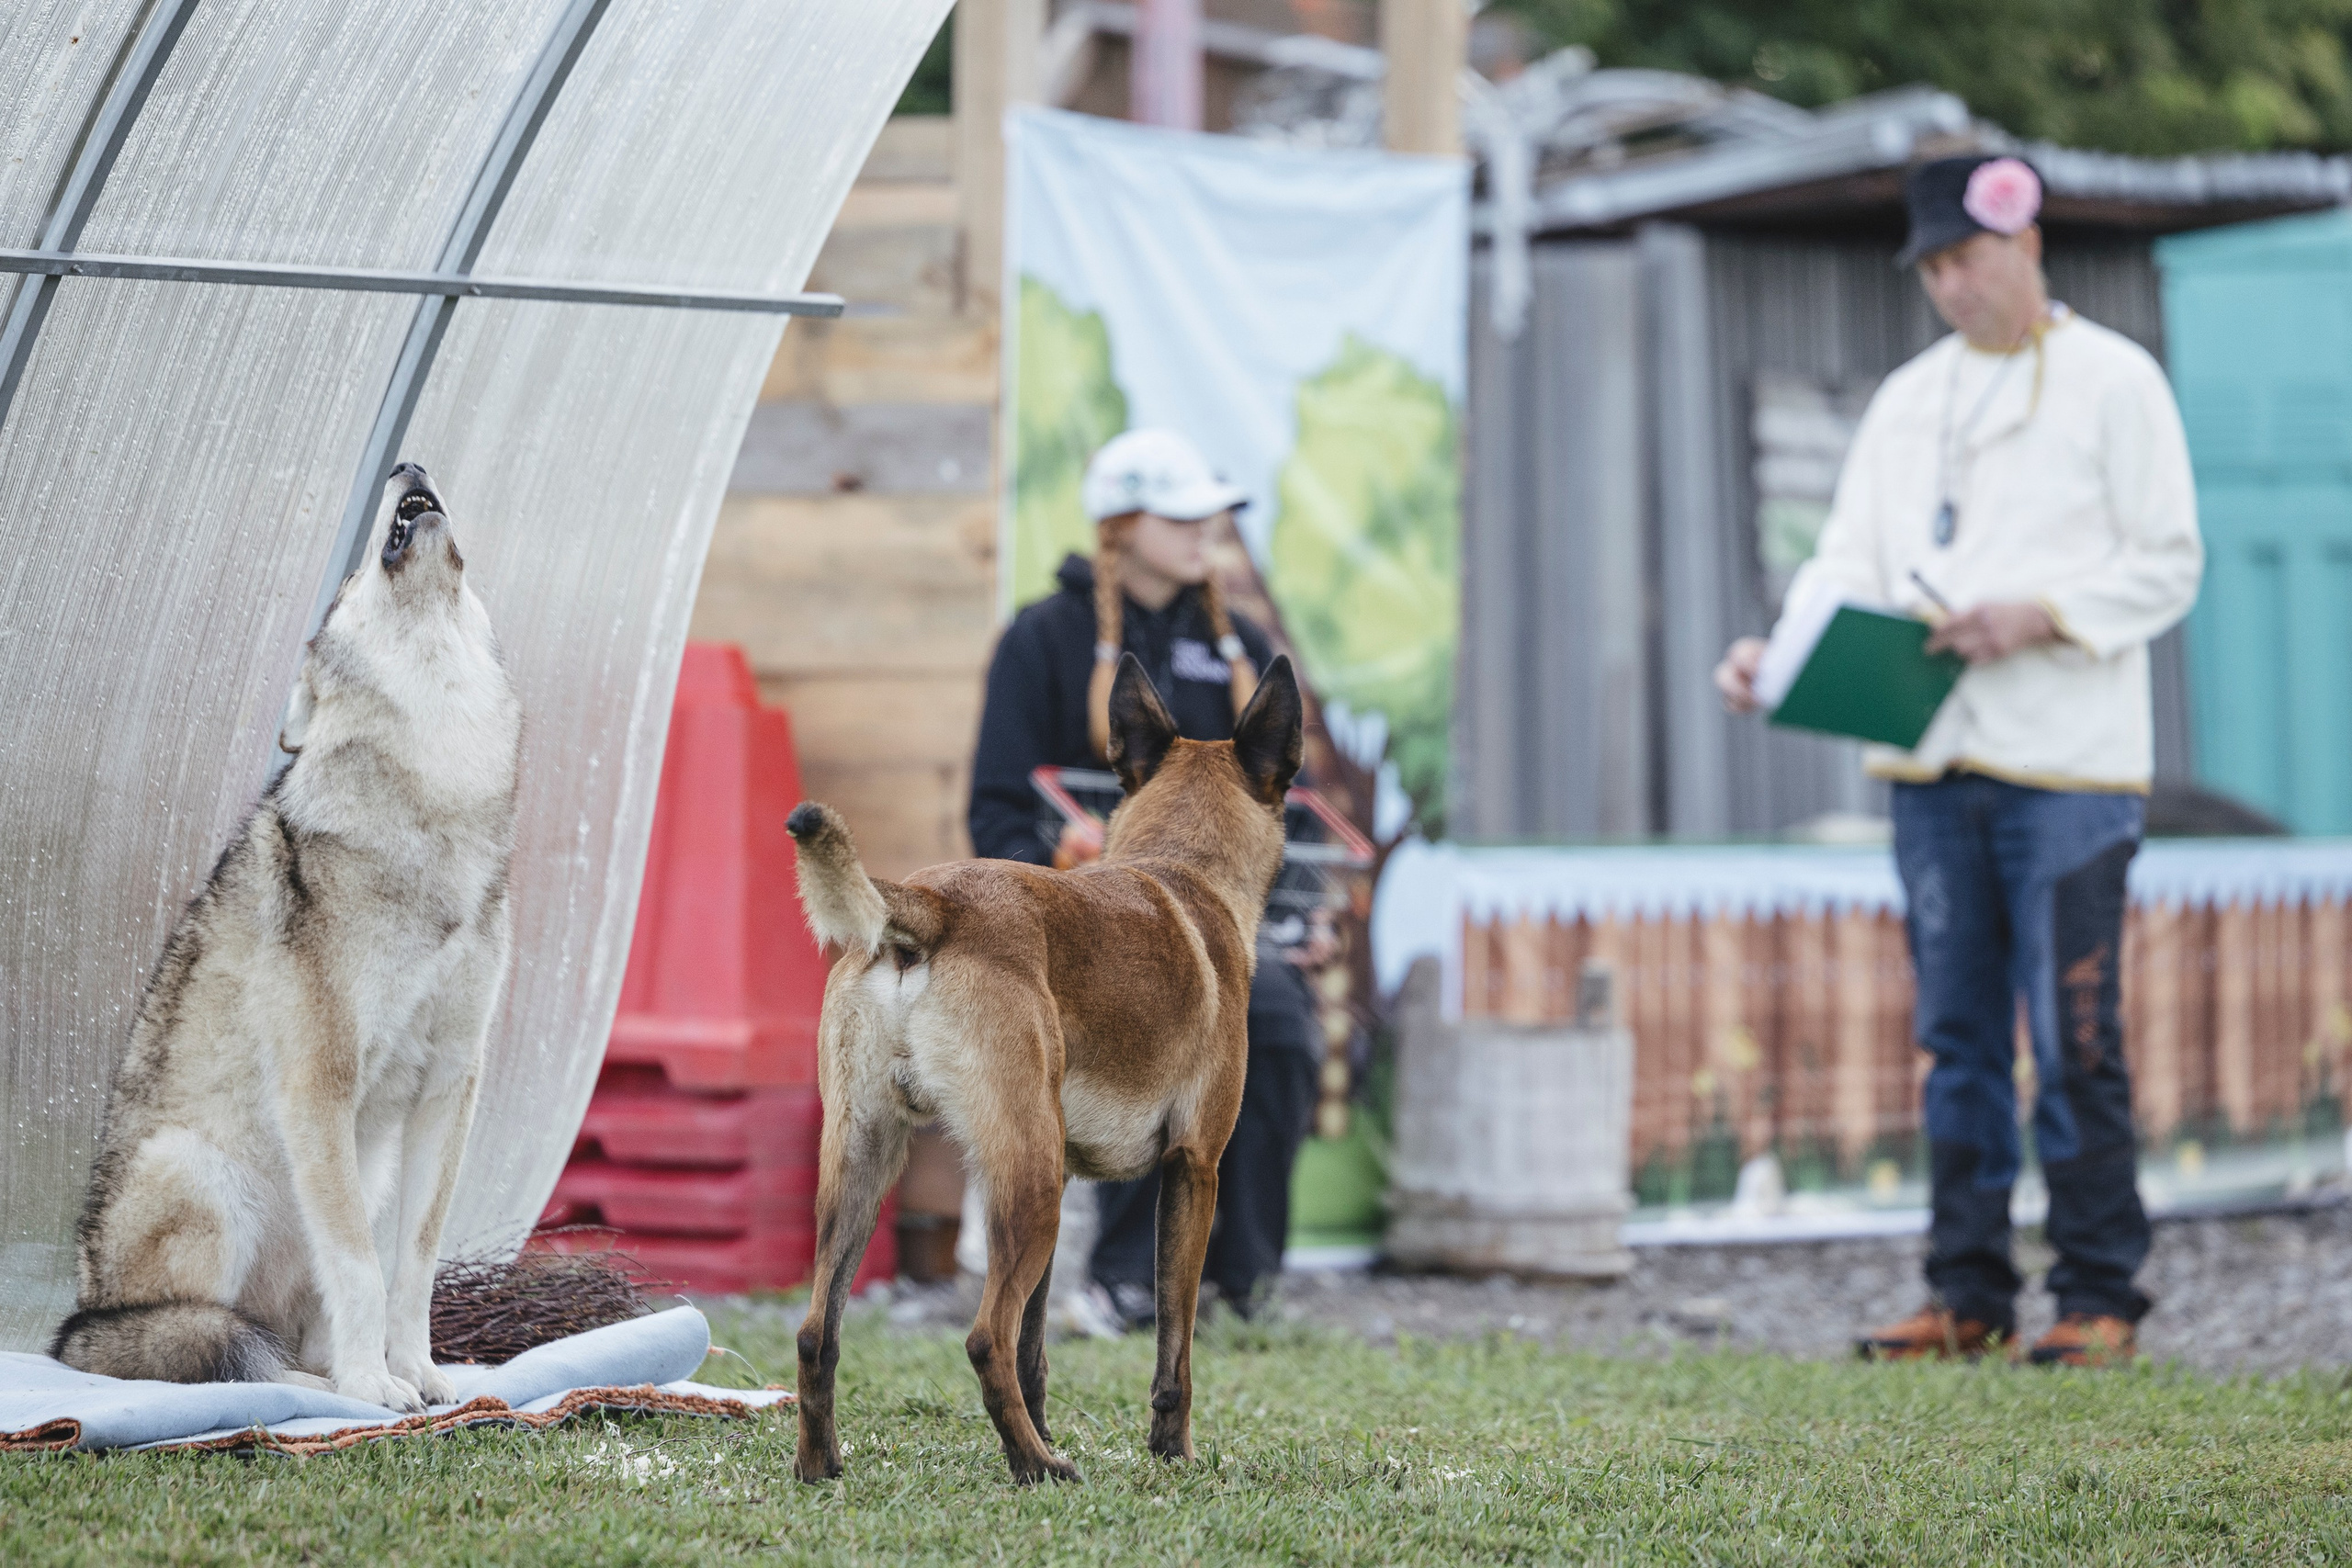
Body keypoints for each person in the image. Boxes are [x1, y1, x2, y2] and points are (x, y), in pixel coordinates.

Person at [1713, 155, 2202, 1367]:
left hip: (2071, 765)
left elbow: (2171, 561)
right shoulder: (1908, 398)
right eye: (1931, 266)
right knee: (1957, 1036)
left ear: (2024, 241)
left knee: (2075, 1031)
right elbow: (1845, 564)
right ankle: (1966, 1286)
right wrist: (1776, 657)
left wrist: (2036, 610)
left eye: (1964, 258)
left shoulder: (2116, 381)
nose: (1948, 284)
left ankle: (2099, 1291)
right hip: (1931, 759)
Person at [967, 427, 1321, 1330]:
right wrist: (1066, 863)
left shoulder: (1235, 641)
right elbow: (998, 808)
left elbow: (1289, 804)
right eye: (1182, 512)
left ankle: (1244, 1281)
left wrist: (1306, 908)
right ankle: (1126, 1280)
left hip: (1219, 931)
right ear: (1120, 525)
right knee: (1145, 1020)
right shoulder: (1041, 639)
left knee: (1276, 1024)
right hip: (1082, 925)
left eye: (1214, 511)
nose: (1207, 527)